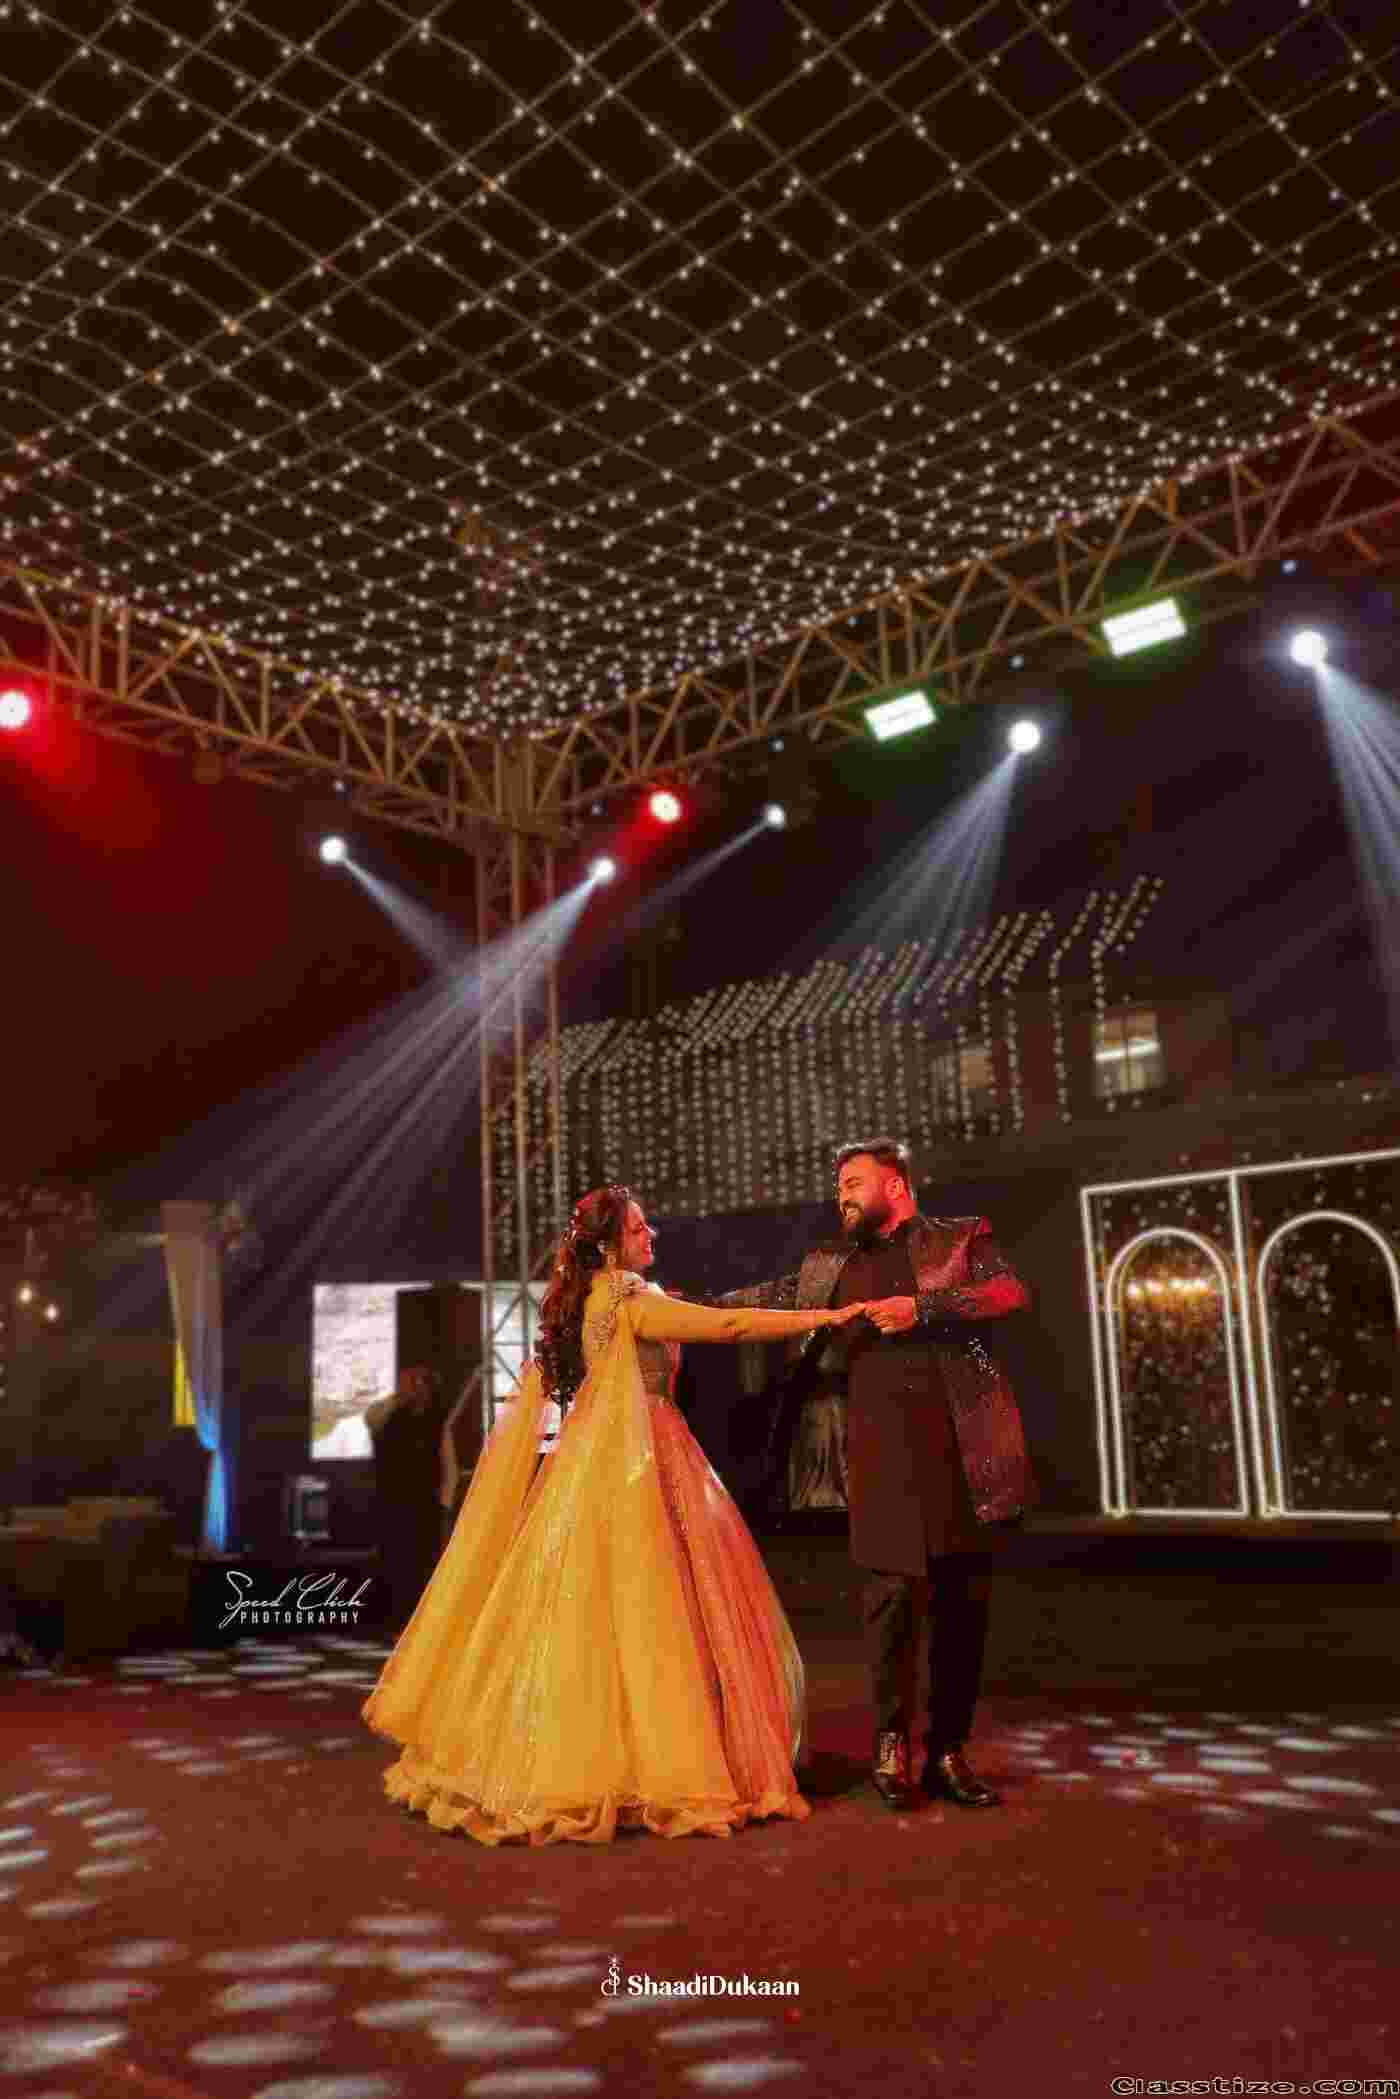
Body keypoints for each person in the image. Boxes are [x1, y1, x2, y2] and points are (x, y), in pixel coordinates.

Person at [361, 1184, 866, 1845]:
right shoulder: (628, 1297)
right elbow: (730, 1328)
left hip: (594, 1463)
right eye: (637, 1227)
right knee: (651, 1610)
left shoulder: (583, 1301)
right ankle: (654, 1769)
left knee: (591, 1612)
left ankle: (591, 1760)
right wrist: (825, 1319)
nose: (650, 1234)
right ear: (609, 1245)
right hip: (641, 1459)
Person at [717, 1138, 1035, 1814]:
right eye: (839, 1186)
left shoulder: (959, 1238)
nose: (843, 1195)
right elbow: (772, 1298)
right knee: (889, 1606)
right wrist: (687, 1307)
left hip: (960, 1454)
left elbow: (1008, 1291)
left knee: (961, 1609)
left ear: (895, 1185)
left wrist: (922, 1308)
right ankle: (890, 1748)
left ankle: (947, 1751)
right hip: (879, 1458)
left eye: (854, 1182)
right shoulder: (830, 1263)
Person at [365, 1366, 450, 1632]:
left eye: (418, 1383)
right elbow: (371, 1419)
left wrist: (444, 1505)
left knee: (423, 1565)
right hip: (392, 1504)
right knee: (394, 1563)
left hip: (425, 1506)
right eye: (408, 1383)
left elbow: (448, 1466)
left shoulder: (438, 1420)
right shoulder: (389, 1416)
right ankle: (397, 1622)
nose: (413, 1388)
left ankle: (422, 1625)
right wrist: (397, 1399)